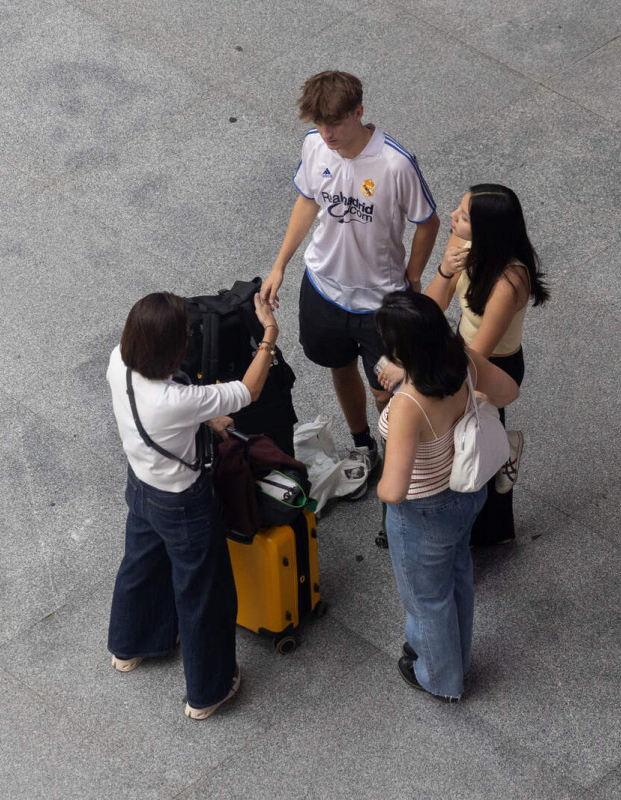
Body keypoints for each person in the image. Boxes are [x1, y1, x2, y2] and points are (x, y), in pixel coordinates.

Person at [261, 71, 441, 490]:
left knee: (387, 391)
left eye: (336, 124)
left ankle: (400, 469)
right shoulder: (314, 145)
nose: (327, 134)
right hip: (323, 287)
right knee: (338, 367)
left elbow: (427, 223)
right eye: (320, 124)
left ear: (359, 112)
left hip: (380, 303)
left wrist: (413, 278)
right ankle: (363, 444)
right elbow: (307, 200)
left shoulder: (396, 163)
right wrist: (279, 265)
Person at [105, 291, 279, 720]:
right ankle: (208, 691)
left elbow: (173, 416)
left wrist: (205, 419)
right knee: (203, 592)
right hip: (184, 504)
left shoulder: (117, 363)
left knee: (140, 564)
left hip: (141, 487)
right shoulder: (178, 401)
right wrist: (269, 334)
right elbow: (250, 389)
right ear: (172, 349)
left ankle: (130, 646)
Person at [379, 184, 548, 545]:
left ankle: (491, 526)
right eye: (459, 209)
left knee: (477, 440)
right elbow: (432, 306)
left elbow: (480, 352)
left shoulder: (510, 280)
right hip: (459, 347)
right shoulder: (460, 244)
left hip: (492, 362)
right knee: (462, 435)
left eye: (464, 216)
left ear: (487, 230)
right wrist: (444, 269)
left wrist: (410, 370)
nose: (453, 217)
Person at [375, 291, 519, 700]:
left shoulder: (408, 403)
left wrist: (379, 484)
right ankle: (455, 658)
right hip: (467, 494)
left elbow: (395, 488)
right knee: (457, 576)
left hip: (422, 513)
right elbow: (508, 390)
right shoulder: (463, 359)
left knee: (426, 600)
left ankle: (439, 679)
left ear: (403, 348)